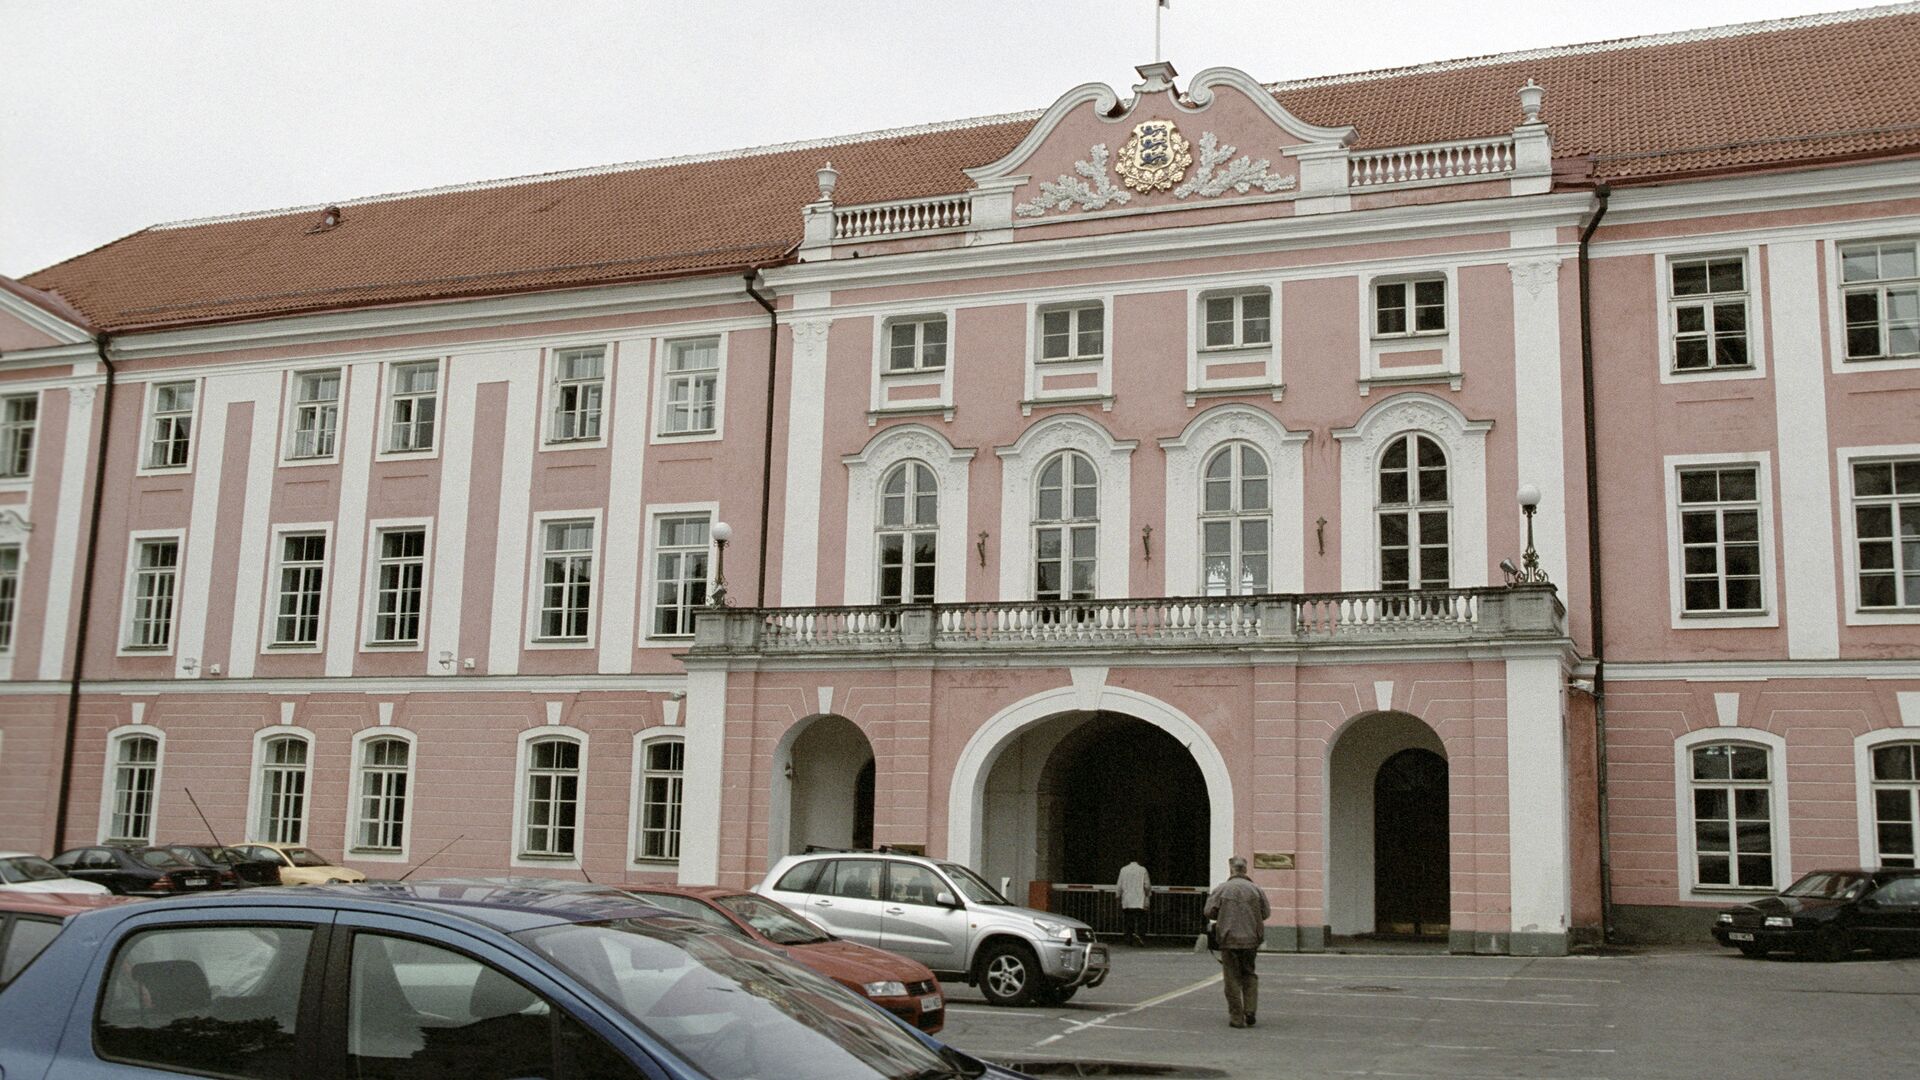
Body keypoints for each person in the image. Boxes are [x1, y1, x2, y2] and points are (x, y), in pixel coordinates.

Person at [1202, 855, 1270, 1029]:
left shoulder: (1222, 889)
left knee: (1231, 978)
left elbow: (1209, 912)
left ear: (1231, 869)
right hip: (1251, 940)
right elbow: (1266, 913)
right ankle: (1250, 1010)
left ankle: (1236, 1017)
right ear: (1245, 870)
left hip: (1228, 939)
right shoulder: (1256, 889)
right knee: (1249, 974)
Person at [1116, 859, 1151, 946]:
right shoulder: (1143, 870)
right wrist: (1148, 896)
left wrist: (1118, 895)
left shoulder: (1123, 869)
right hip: (1140, 899)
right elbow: (1147, 885)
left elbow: (1119, 884)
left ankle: (1129, 939)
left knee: (1128, 921)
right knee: (1141, 921)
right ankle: (1140, 936)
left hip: (1127, 900)